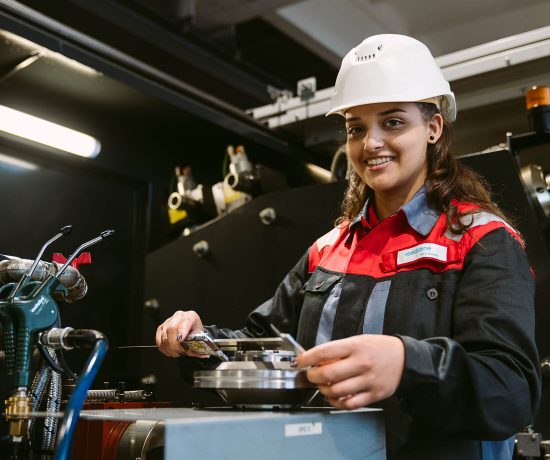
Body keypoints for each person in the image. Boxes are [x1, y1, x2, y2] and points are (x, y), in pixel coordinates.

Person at [156, 34, 541, 460]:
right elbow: (263, 347)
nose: (371, 143)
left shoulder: (481, 241)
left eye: (392, 122)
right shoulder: (328, 250)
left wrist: (407, 363)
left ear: (433, 128)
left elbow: (511, 390)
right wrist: (200, 341)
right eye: (356, 128)